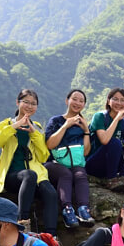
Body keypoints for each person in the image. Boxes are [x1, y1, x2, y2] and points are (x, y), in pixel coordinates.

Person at [0, 89, 59, 235]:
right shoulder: (5, 124)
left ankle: (52, 237)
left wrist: (34, 133)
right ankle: (22, 222)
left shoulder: (36, 126)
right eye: (26, 102)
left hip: (36, 175)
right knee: (29, 175)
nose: (29, 106)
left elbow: (43, 156)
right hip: (12, 175)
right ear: (18, 102)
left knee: (51, 193)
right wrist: (14, 126)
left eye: (33, 103)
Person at [44, 89, 95, 228]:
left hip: (75, 163)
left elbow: (85, 152)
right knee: (66, 174)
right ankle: (67, 210)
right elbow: (50, 144)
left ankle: (83, 209)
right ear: (67, 101)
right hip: (53, 164)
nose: (78, 103)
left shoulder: (83, 124)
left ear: (84, 105)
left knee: (80, 174)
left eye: (81, 101)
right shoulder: (55, 121)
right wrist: (66, 126)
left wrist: (86, 130)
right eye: (75, 99)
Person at [86, 87, 124, 192]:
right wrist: (117, 118)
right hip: (93, 164)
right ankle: (111, 180)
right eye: (115, 99)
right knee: (115, 142)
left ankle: (123, 179)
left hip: (111, 165)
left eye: (122, 100)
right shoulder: (100, 117)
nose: (119, 103)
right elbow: (104, 140)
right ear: (108, 101)